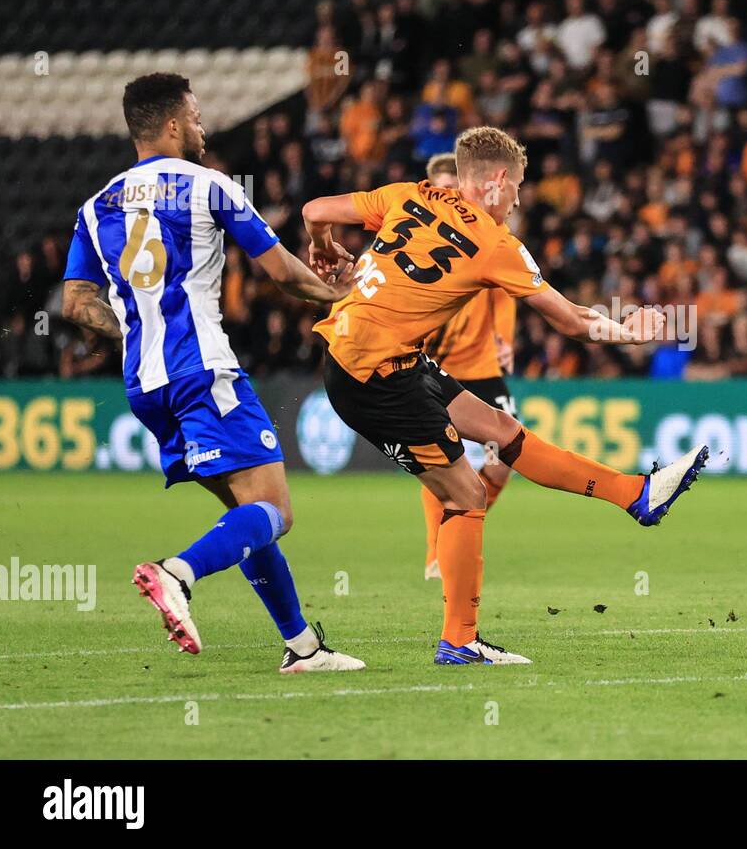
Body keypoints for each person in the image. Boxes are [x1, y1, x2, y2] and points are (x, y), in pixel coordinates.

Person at [302, 125, 708, 665]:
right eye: (516, 187)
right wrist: (631, 331)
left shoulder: (408, 194)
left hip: (371, 356)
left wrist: (325, 252)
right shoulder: (496, 245)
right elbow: (572, 321)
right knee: (466, 495)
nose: (517, 200)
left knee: (502, 430)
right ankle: (460, 640)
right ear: (495, 181)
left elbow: (313, 211)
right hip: (373, 376)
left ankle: (637, 494)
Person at [60, 73, 364, 672]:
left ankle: (301, 647)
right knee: (276, 510)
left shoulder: (97, 205)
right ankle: (178, 572)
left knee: (245, 512)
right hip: (202, 370)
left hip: (146, 385)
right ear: (172, 124)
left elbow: (74, 302)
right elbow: (280, 271)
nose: (202, 128)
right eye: (196, 117)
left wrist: (136, 327)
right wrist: (341, 294)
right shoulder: (209, 186)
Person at [416, 153, 517, 581]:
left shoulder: (486, 232)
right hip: (433, 368)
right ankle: (437, 554)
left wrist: (505, 338)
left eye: (454, 187)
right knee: (441, 462)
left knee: (504, 459)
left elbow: (503, 292)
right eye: (440, 187)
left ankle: (464, 520)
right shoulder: (418, 236)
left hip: (481, 365)